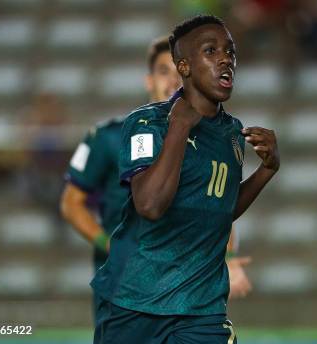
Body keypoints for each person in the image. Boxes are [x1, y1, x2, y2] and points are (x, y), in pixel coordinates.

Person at [91, 15, 280, 344]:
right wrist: (179, 127)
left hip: (202, 308)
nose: (225, 60)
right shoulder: (147, 123)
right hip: (135, 303)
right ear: (184, 67)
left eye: (230, 52)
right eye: (211, 50)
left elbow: (221, 205)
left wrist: (266, 170)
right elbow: (149, 205)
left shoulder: (232, 133)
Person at [60, 37, 251, 320]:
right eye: (164, 72)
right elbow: (71, 203)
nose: (173, 81)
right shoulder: (109, 137)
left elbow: (219, 204)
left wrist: (230, 259)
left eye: (180, 73)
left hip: (188, 283)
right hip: (124, 282)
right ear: (149, 80)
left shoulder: (210, 138)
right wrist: (108, 244)